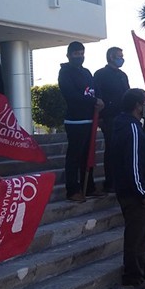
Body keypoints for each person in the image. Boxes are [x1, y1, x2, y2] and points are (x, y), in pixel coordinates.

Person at [109, 88, 145, 289]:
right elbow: (132, 162)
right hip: (134, 193)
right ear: (137, 105)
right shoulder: (130, 128)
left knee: (143, 234)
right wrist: (142, 192)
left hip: (135, 189)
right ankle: (132, 276)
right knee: (135, 235)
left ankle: (143, 269)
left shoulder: (130, 125)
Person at [59, 42, 105, 201]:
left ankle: (89, 186)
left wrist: (99, 100)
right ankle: (72, 190)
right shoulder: (65, 73)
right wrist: (93, 102)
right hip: (75, 121)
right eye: (76, 54)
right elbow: (71, 95)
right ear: (69, 55)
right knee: (75, 156)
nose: (80, 57)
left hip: (90, 119)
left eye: (82, 53)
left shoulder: (86, 72)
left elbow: (95, 89)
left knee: (88, 155)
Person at [94, 46, 129, 193]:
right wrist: (101, 118)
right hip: (109, 117)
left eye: (122, 56)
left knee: (123, 150)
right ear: (111, 57)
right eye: (118, 56)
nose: (121, 59)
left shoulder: (122, 75)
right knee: (111, 150)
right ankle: (111, 182)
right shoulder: (100, 74)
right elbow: (97, 95)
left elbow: (128, 94)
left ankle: (121, 179)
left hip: (123, 117)